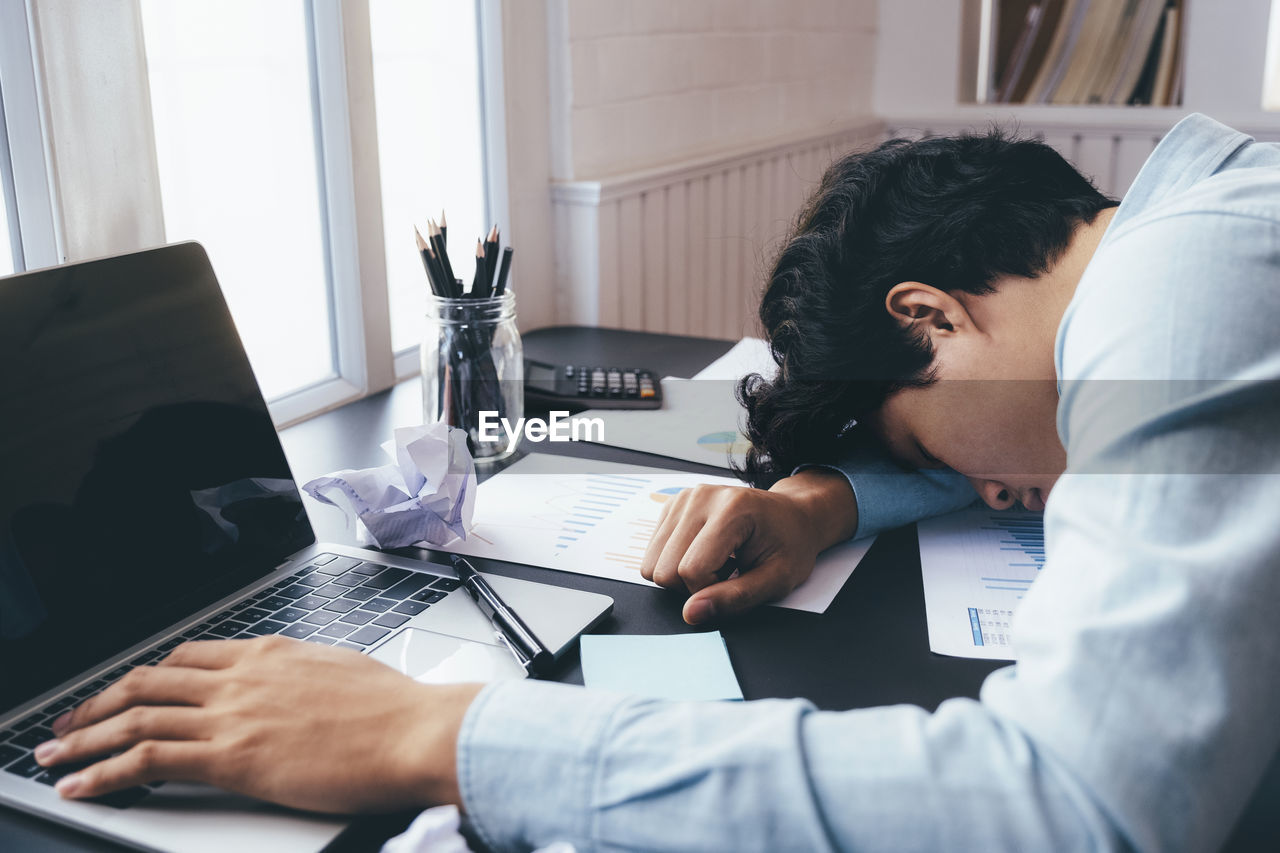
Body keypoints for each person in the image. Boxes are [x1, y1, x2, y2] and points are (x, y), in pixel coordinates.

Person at [32, 113, 1280, 851]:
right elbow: (1008, 440)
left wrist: (440, 731)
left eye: (917, 445)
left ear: (929, 317)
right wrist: (823, 500)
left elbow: (1081, 805)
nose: (998, 492)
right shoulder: (1198, 235)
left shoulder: (1177, 293)